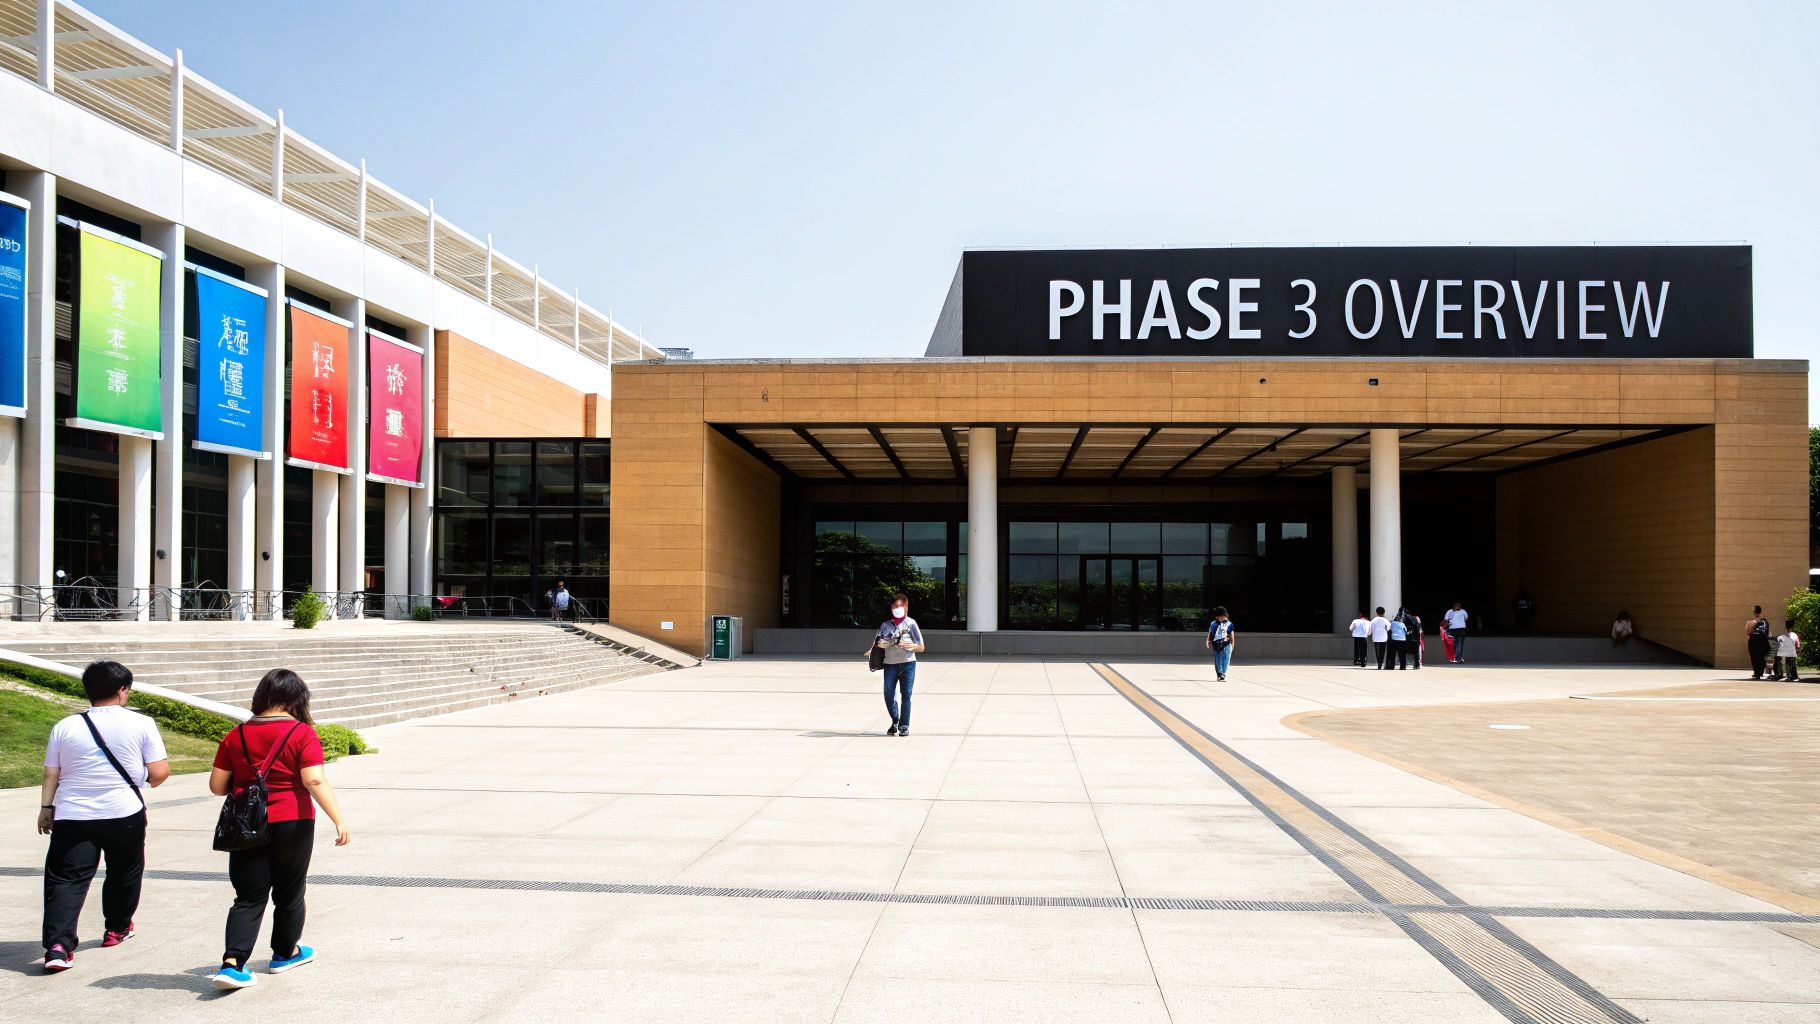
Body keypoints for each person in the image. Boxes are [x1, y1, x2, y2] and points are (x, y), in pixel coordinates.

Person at [210, 669, 351, 990]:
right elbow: (313, 779)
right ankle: (285, 952)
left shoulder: (236, 735)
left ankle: (232, 964)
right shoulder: (302, 733)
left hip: (246, 825)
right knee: (289, 890)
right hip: (293, 821)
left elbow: (218, 786)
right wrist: (339, 820)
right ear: (295, 699)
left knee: (247, 896)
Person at [38, 661, 170, 973]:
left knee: (66, 879)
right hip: (122, 812)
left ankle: (58, 947)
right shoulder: (142, 723)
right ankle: (117, 928)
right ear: (122, 690)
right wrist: (136, 777)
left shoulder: (65, 726)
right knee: (124, 871)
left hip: (72, 815)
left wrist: (46, 809)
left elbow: (50, 773)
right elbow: (159, 773)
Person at [870, 593, 923, 737]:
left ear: (906, 607)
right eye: (894, 606)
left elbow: (921, 646)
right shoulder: (885, 625)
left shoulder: (911, 624)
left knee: (906, 695)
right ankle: (895, 720)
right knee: (888, 694)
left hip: (908, 664)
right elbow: (877, 643)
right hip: (890, 664)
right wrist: (884, 643)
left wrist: (908, 645)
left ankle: (904, 726)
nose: (897, 608)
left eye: (900, 606)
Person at [1205, 606, 1236, 681]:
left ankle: (1223, 674)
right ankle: (1219, 673)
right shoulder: (1213, 624)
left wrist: (1233, 644)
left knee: (1226, 659)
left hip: (1227, 644)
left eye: (1224, 616)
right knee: (1218, 659)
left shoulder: (1229, 624)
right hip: (1216, 644)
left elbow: (1232, 634)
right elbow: (1210, 633)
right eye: (1221, 617)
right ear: (1217, 617)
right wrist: (1208, 640)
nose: (1223, 618)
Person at [1746, 605, 1772, 680]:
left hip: (1754, 641)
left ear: (1754, 612)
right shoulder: (1765, 621)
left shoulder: (1752, 622)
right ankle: (1760, 672)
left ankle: (1757, 673)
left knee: (1755, 658)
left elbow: (1748, 632)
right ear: (1760, 612)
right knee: (1762, 657)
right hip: (1763, 641)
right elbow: (1766, 632)